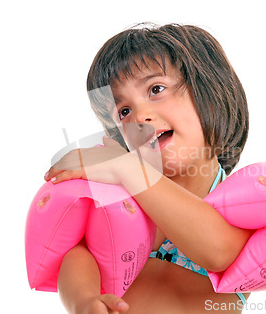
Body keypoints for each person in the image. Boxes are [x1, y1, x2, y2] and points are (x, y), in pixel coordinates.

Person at [44, 23, 254, 314]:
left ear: (211, 93)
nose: (139, 116)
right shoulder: (121, 196)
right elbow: (80, 253)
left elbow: (220, 252)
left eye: (156, 89)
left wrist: (130, 170)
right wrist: (84, 299)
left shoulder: (246, 198)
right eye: (124, 111)